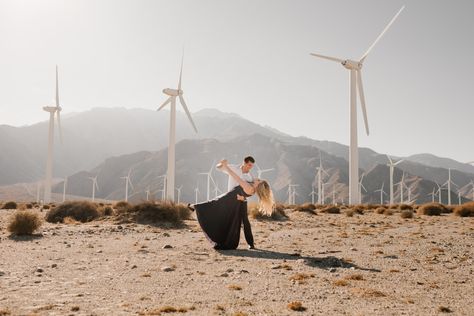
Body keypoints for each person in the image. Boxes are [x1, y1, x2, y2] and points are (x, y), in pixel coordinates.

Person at [190, 159, 274, 250]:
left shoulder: (249, 186)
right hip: (238, 202)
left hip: (231, 199)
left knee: (214, 204)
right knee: (240, 221)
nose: (258, 179)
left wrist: (226, 167)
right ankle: (250, 244)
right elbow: (245, 192)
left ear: (258, 185)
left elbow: (236, 177)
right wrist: (243, 198)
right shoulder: (253, 188)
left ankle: (196, 207)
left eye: (259, 181)